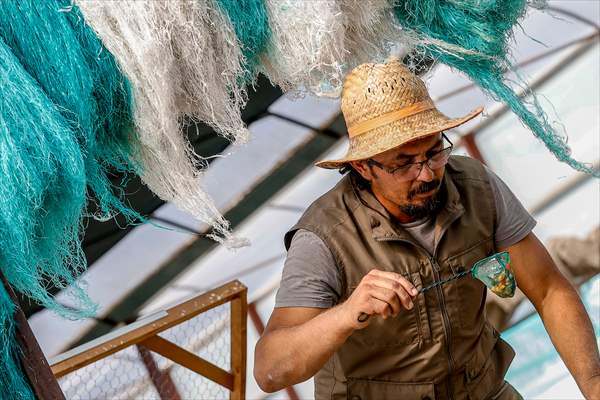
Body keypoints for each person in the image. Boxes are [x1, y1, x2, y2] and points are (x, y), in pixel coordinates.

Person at [254, 60, 600, 400]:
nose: (427, 173)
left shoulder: (476, 185)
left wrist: (594, 384)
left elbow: (549, 289)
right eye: (404, 163)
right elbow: (270, 371)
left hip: (481, 390)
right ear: (362, 166)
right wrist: (347, 313)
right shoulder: (324, 236)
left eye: (435, 152)